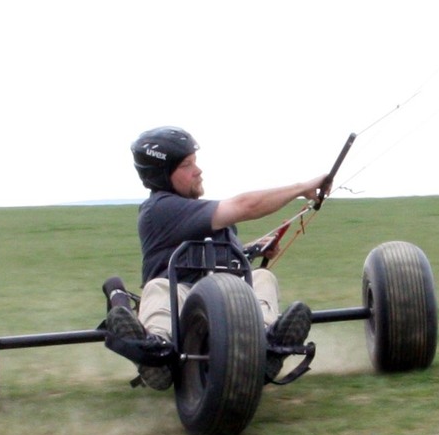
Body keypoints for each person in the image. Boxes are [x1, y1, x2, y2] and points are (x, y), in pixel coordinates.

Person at [106, 126, 329, 390]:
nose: (198, 170)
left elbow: (212, 249)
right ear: (162, 175)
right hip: (184, 302)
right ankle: (157, 354)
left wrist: (251, 249)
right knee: (160, 288)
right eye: (187, 165)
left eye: (195, 162)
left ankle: (266, 345)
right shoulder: (160, 209)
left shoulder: (202, 214)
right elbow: (245, 206)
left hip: (228, 298)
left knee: (262, 276)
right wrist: (303, 188)